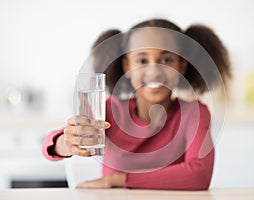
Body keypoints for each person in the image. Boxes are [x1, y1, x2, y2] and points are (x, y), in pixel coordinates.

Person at [42, 18, 231, 190]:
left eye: (166, 60)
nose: (154, 72)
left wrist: (118, 179)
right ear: (127, 67)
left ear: (182, 65)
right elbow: (49, 147)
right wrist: (63, 143)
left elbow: (198, 176)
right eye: (142, 60)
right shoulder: (108, 110)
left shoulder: (195, 113)